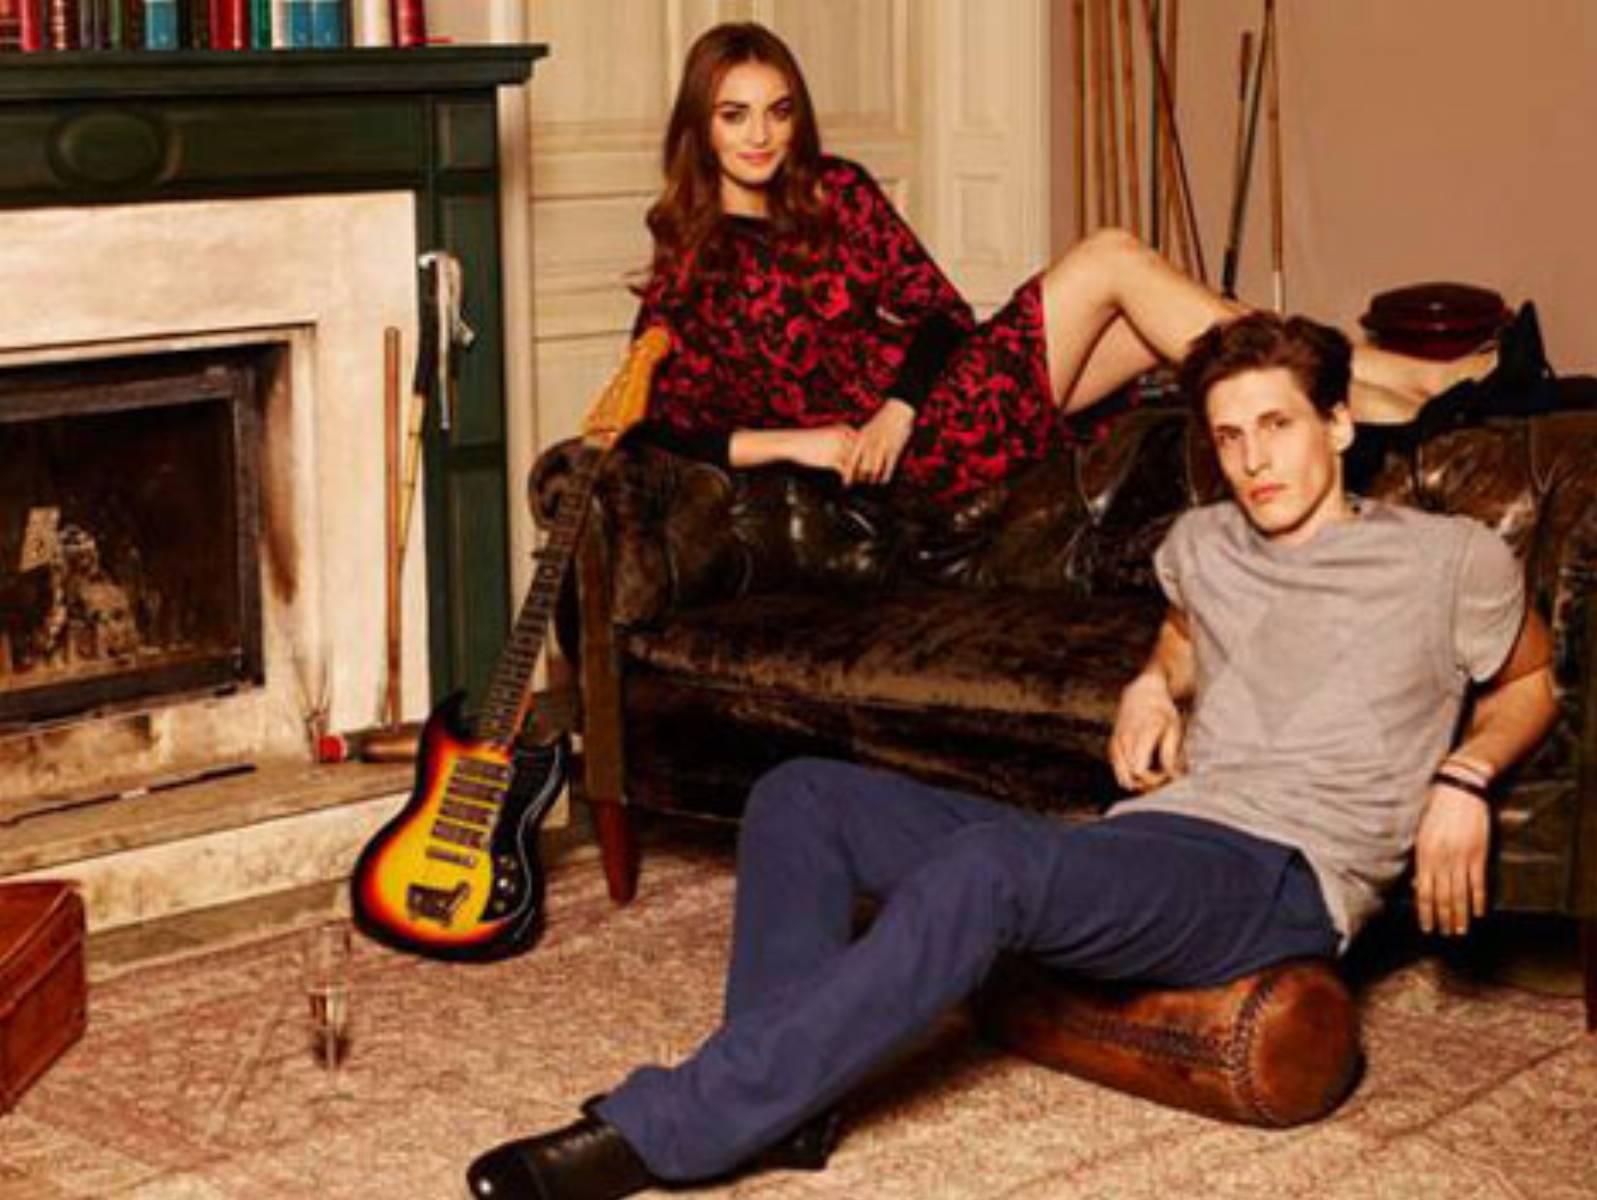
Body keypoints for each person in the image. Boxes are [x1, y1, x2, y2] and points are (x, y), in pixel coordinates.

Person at [464, 311, 1561, 1200]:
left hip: (1281, 875)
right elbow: (1182, 638)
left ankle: (676, 1127)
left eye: (1276, 427)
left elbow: (1528, 683)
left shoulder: (1445, 560)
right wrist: (1152, 683)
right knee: (800, 797)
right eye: (1228, 437)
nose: (1252, 461)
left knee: (989, 872)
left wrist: (1463, 777)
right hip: (1156, 834)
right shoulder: (1202, 543)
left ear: (1339, 423)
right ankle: (791, 1109)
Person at [627, 21, 1539, 512]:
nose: (760, 135)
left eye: (777, 111)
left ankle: (1407, 387)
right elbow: (649, 428)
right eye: (735, 115)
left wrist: (897, 405)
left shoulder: (836, 192)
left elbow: (939, 314)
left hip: (932, 407)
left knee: (1168, 317)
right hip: (921, 460)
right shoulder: (690, 267)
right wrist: (805, 443)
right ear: (700, 127)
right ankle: (1393, 393)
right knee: (1111, 257)